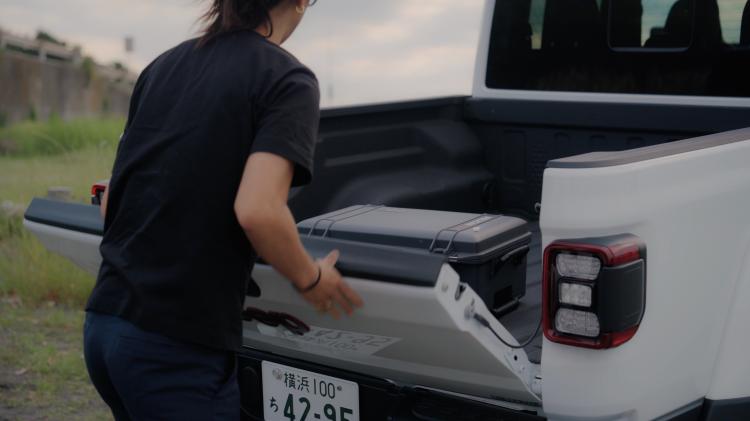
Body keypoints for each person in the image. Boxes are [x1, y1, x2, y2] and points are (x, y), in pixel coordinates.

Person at [82, 0, 364, 419]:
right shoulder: (287, 79)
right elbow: (258, 210)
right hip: (174, 350)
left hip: (104, 327)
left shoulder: (162, 67)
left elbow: (113, 204)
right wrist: (312, 279)